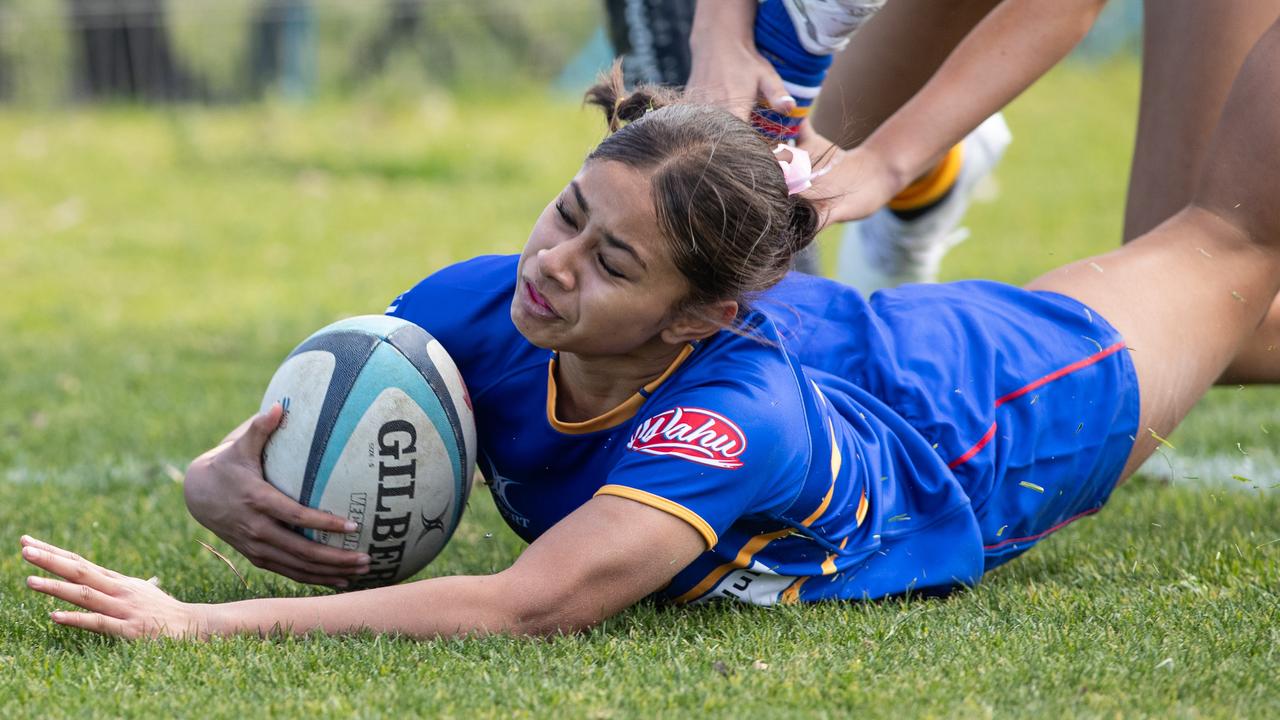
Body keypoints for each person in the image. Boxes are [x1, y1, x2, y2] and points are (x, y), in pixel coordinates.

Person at [19, 18, 1280, 637]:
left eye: (608, 258)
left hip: (1003, 406)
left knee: (1225, 237)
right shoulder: (481, 298)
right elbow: (332, 402)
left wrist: (193, 620)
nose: (548, 268)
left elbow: (526, 604)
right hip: (849, 350)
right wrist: (211, 479)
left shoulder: (732, 423)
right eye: (565, 212)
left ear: (705, 318)